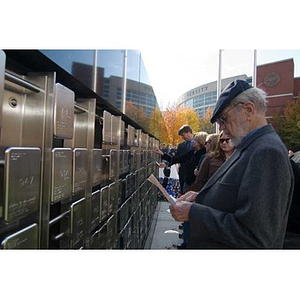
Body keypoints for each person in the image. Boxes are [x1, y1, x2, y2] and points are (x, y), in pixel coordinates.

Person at [169, 79, 294, 249]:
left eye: (224, 119)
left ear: (248, 110)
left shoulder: (266, 152)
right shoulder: (249, 146)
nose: (222, 128)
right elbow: (234, 198)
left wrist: (193, 212)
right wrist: (200, 198)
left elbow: (255, 237)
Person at [175, 125, 194, 194]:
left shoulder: (199, 143)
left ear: (189, 132)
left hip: (193, 175)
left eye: (183, 135)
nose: (183, 138)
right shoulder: (181, 145)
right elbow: (177, 157)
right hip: (183, 173)